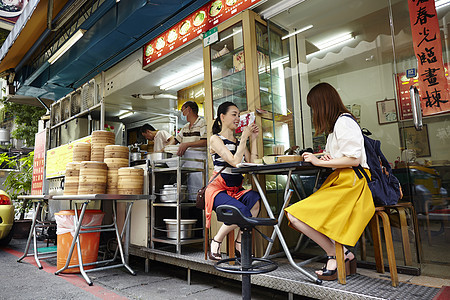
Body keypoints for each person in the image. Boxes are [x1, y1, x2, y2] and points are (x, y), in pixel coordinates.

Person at [285, 83, 375, 281]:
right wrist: (326, 159)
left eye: (314, 107)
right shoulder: (337, 126)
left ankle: (337, 255)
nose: (314, 112)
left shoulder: (344, 122)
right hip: (343, 180)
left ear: (322, 104)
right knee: (301, 217)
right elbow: (345, 156)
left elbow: (354, 159)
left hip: (351, 182)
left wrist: (319, 160)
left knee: (295, 216)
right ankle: (342, 255)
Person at [205, 101, 260, 261]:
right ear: (222, 117)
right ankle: (216, 240)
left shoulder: (238, 142)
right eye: (233, 114)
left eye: (238, 115)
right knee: (242, 211)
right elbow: (235, 162)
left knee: (255, 200)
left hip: (235, 190)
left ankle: (239, 242)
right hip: (218, 191)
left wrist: (253, 139)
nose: (237, 118)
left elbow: (252, 164)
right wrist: (244, 137)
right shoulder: (215, 139)